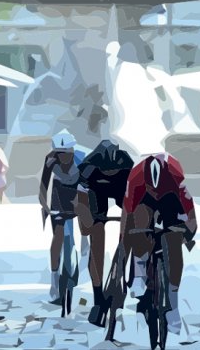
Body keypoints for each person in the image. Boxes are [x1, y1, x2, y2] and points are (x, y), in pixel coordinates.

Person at [122, 152, 198, 334]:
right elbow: (127, 213)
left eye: (157, 188)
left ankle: (173, 303)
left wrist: (186, 234)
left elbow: (191, 217)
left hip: (170, 199)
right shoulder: (136, 177)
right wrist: (125, 241)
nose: (155, 191)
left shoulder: (176, 177)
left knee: (174, 242)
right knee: (139, 219)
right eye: (151, 187)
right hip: (143, 200)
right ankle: (140, 272)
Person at [75, 139, 134, 326]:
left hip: (121, 189)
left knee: (130, 226)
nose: (110, 173)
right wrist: (88, 223)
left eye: (113, 171)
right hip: (95, 192)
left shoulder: (126, 165)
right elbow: (80, 202)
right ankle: (98, 294)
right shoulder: (87, 168)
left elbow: (133, 201)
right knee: (96, 233)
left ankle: (125, 268)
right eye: (107, 171)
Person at [38, 131, 86, 304]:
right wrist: (44, 206)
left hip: (78, 192)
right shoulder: (50, 159)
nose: (63, 158)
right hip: (59, 196)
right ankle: (54, 280)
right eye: (60, 154)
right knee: (57, 237)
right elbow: (43, 187)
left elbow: (89, 189)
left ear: (72, 151)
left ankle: (84, 244)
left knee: (85, 221)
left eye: (66, 154)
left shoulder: (82, 158)